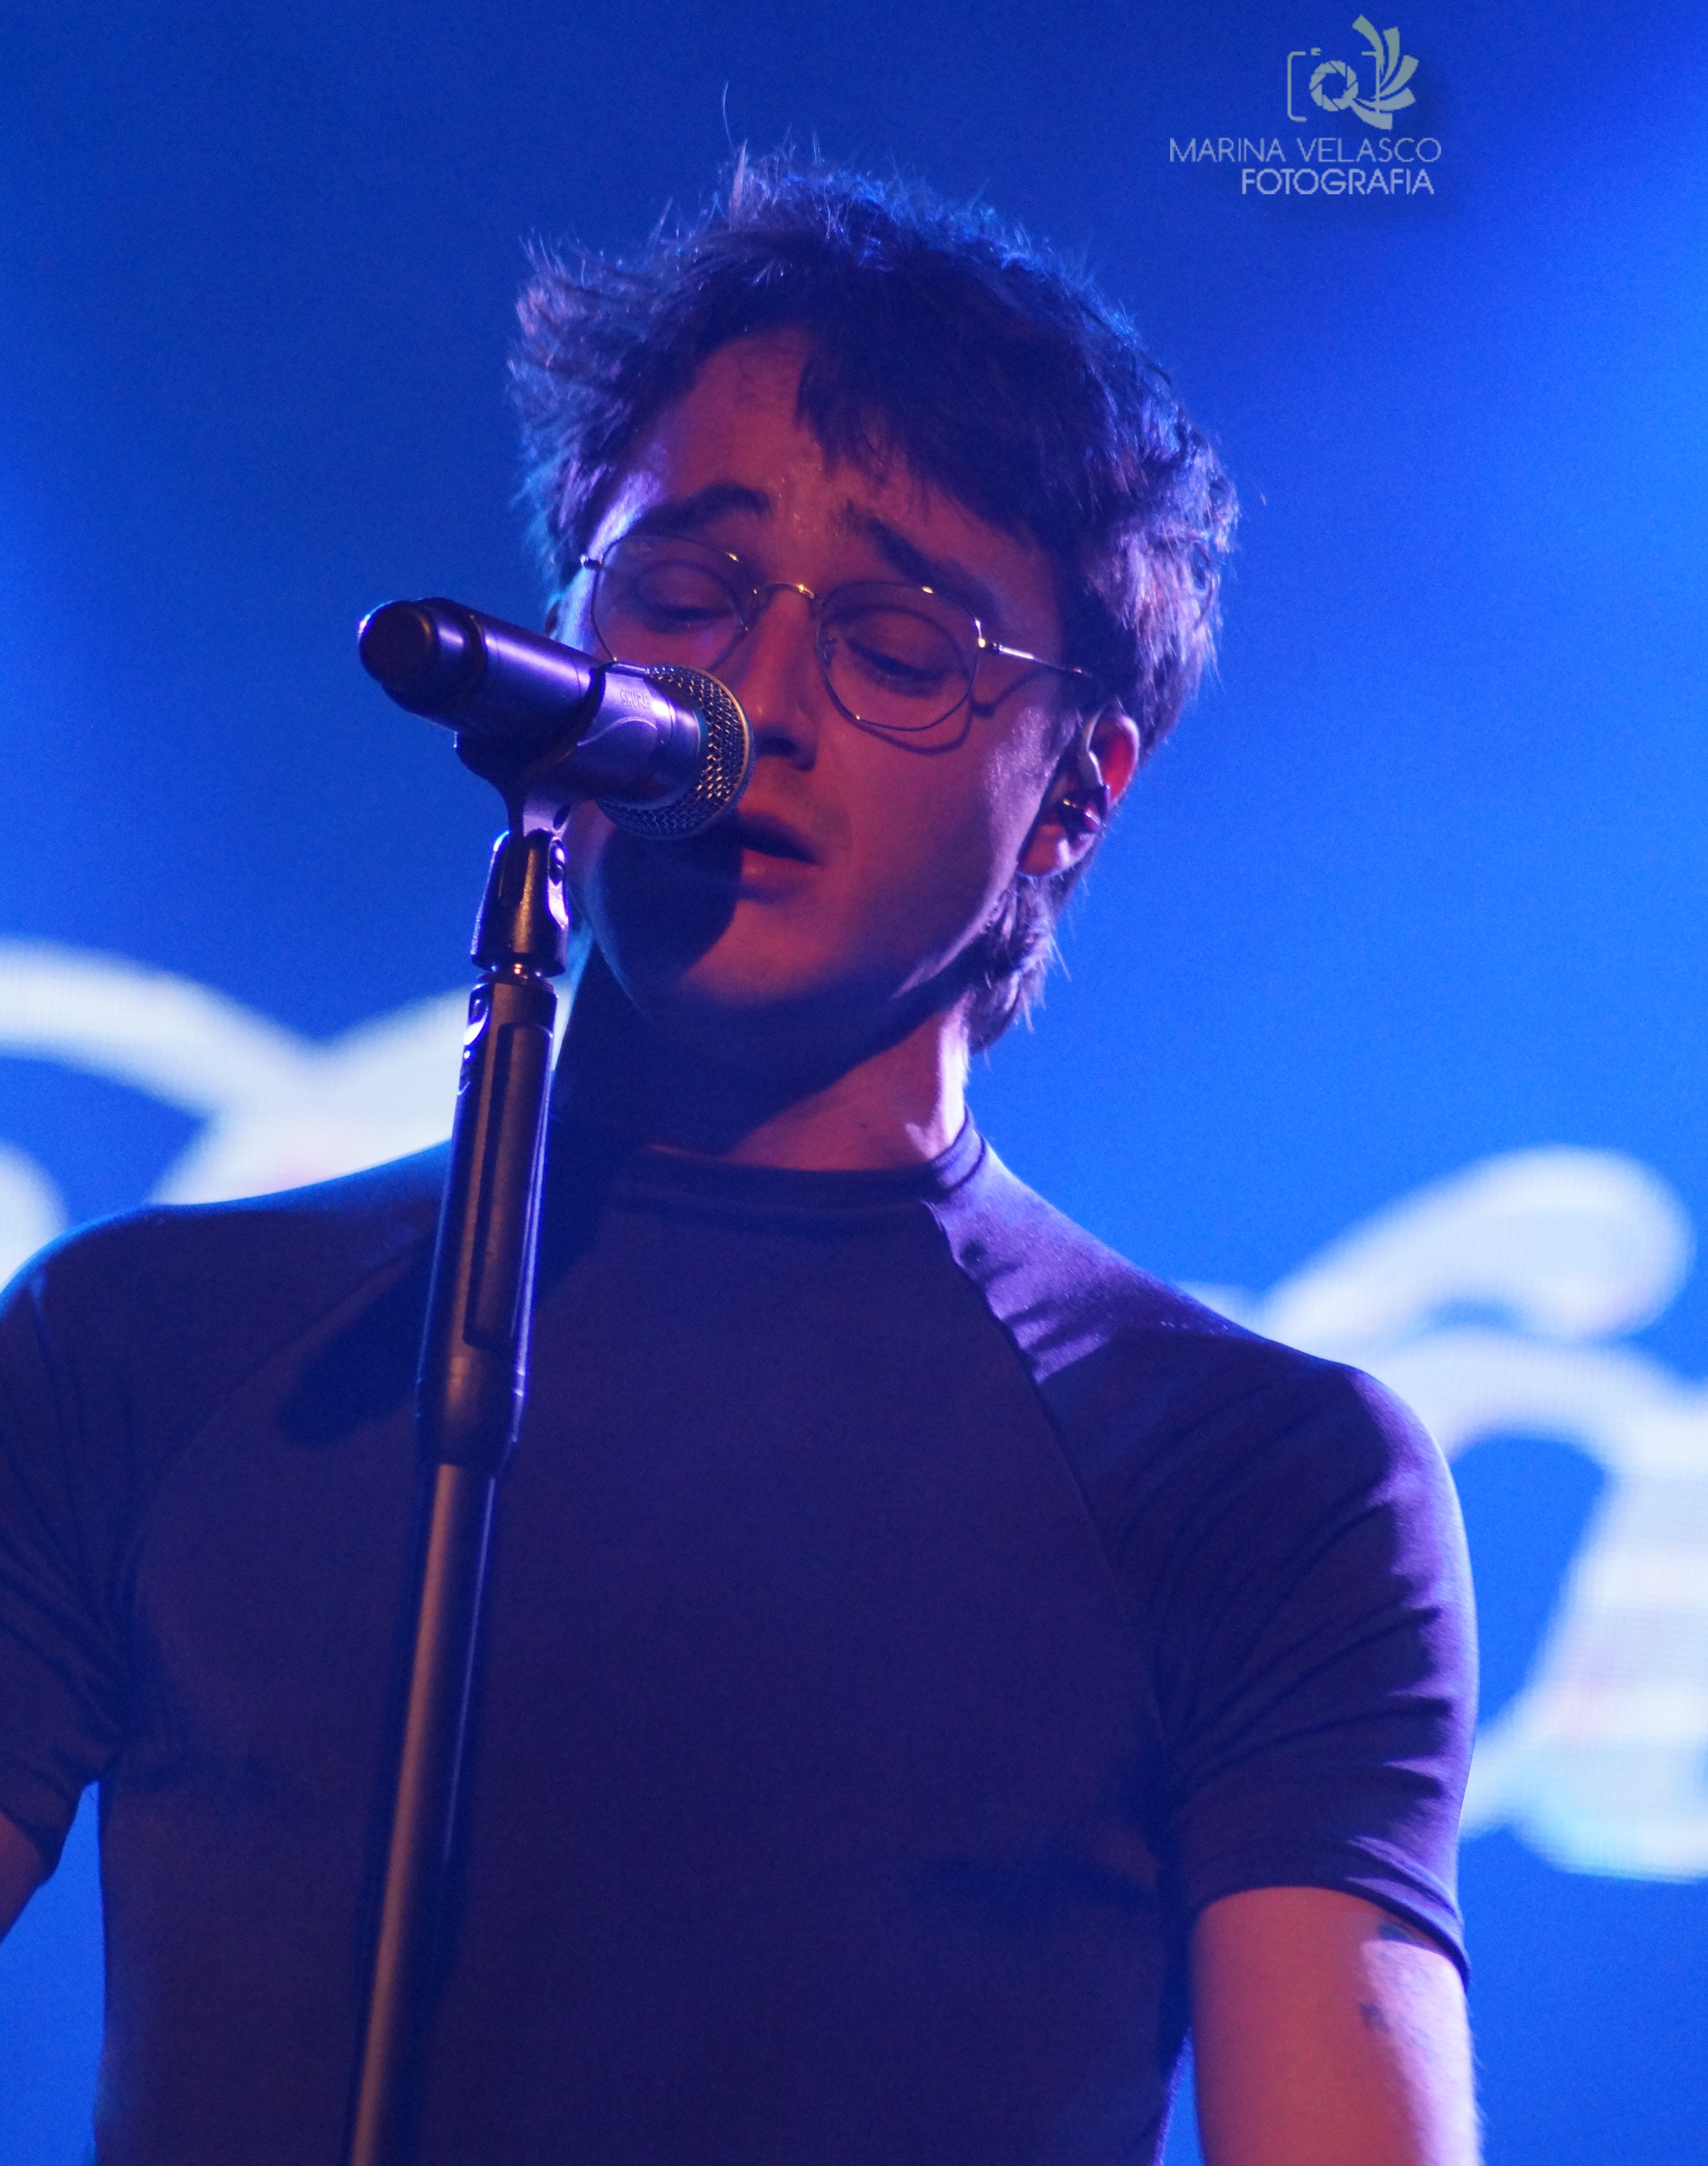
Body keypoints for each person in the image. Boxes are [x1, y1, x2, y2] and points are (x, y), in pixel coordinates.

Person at [0, 158, 1478, 2164]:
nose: (750, 704)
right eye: (683, 598)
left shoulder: (1255, 1483)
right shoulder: (139, 1346)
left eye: (899, 644)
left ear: (1074, 792)